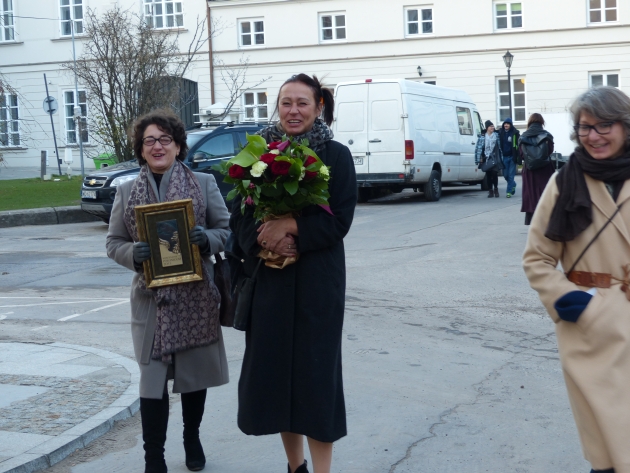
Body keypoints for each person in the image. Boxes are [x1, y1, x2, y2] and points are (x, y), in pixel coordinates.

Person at [230, 73, 357, 473]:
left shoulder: (335, 156)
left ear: (319, 106)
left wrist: (293, 228)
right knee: (280, 381)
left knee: (316, 382)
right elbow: (239, 219)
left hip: (318, 285)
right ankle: (294, 466)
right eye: (286, 102)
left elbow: (340, 220)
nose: (293, 110)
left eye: (302, 102)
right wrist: (264, 239)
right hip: (272, 284)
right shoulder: (256, 156)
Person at [106, 110, 230, 473]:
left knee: (193, 377)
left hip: (195, 297)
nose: (157, 146)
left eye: (165, 140)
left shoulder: (204, 183)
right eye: (149, 141)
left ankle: (191, 437)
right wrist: (133, 254)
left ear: (178, 146)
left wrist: (205, 239)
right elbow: (114, 242)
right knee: (153, 382)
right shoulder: (127, 191)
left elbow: (226, 230)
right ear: (141, 150)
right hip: (151, 301)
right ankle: (153, 457)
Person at [523, 86, 630, 473]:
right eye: (585, 127)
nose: (594, 135)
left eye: (605, 125)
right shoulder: (564, 182)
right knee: (605, 448)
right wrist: (572, 302)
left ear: (625, 127)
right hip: (591, 329)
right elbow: (536, 258)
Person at [519, 113, 555, 225]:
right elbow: (550, 150)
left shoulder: (523, 136)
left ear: (529, 122)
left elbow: (521, 155)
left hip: (530, 170)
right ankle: (546, 221)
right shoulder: (547, 135)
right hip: (545, 169)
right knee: (545, 194)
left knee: (531, 195)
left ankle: (534, 222)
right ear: (541, 122)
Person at [475, 120, 504, 198]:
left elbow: (500, 146)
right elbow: (478, 148)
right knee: (488, 174)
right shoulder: (482, 137)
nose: (493, 127)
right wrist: (479, 158)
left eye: (493, 126)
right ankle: (490, 190)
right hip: (486, 158)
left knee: (494, 173)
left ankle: (496, 189)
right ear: (487, 127)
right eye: (491, 126)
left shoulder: (497, 135)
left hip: (495, 157)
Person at [498, 117, 520, 197]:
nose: (506, 125)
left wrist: (518, 156)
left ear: (510, 125)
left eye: (507, 124)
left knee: (511, 175)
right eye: (505, 124)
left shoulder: (515, 133)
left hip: (512, 157)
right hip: (504, 157)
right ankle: (513, 184)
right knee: (505, 175)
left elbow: (518, 144)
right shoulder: (501, 132)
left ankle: (508, 192)